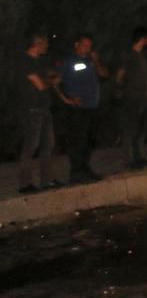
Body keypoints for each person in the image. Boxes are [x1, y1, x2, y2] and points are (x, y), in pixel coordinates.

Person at [57, 32, 109, 182]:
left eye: (89, 46)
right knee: (78, 141)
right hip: (77, 110)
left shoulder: (91, 61)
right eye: (85, 45)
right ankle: (76, 173)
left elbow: (105, 74)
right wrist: (66, 99)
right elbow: (54, 80)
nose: (87, 49)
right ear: (76, 45)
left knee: (89, 141)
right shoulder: (68, 61)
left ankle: (86, 170)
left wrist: (97, 61)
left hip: (92, 107)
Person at [17, 32, 60, 193]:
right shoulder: (25, 62)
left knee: (47, 145)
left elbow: (50, 76)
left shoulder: (38, 62)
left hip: (43, 108)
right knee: (31, 145)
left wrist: (51, 79)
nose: (47, 46)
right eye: (45, 43)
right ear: (37, 44)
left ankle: (46, 180)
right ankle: (24, 183)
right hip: (32, 109)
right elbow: (41, 85)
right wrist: (51, 81)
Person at [116, 26, 147, 168]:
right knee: (130, 128)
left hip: (143, 98)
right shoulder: (128, 55)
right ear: (142, 39)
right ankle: (128, 159)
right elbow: (120, 75)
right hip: (132, 98)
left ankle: (139, 156)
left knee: (142, 129)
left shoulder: (142, 55)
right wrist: (122, 90)